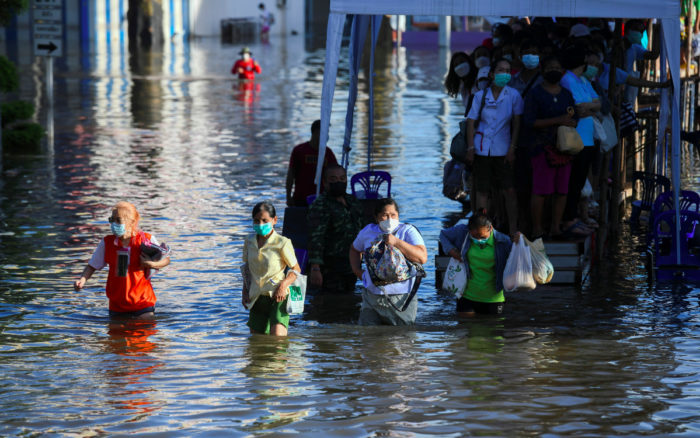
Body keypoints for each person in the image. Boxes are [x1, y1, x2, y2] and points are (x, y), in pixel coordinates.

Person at [74, 201, 170, 319]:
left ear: (132, 222)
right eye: (111, 220)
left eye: (118, 220)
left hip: (142, 301)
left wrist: (151, 264)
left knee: (144, 331)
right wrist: (82, 280)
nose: (114, 224)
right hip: (117, 304)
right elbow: (92, 265)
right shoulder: (107, 243)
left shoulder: (146, 240)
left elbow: (166, 260)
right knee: (117, 335)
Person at [466, 58, 524, 237]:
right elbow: (470, 122)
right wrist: (470, 148)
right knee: (482, 191)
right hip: (481, 148)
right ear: (492, 74)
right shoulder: (480, 95)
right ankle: (483, 228)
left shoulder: (513, 95)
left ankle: (513, 228)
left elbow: (517, 123)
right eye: (500, 70)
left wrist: (512, 148)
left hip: (504, 149)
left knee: (509, 190)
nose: (504, 74)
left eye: (507, 71)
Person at [523, 56, 579, 239]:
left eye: (557, 67)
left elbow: (574, 116)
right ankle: (538, 228)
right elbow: (529, 122)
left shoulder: (566, 94)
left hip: (564, 149)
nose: (553, 70)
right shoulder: (535, 94)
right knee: (541, 190)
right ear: (543, 71)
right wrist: (557, 120)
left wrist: (569, 122)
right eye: (550, 67)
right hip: (541, 147)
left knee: (561, 190)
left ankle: (556, 227)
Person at [349, 199, 427, 326]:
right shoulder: (368, 231)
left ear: (398, 216)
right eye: (385, 215)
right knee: (368, 338)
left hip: (401, 297)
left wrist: (396, 242)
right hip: (371, 296)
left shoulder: (408, 231)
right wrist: (357, 271)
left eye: (393, 215)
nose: (389, 219)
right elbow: (354, 249)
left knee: (401, 338)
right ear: (376, 217)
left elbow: (422, 258)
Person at [439, 210, 519, 317]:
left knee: (493, 330)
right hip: (466, 296)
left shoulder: (503, 241)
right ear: (469, 230)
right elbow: (443, 235)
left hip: (493, 298)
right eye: (474, 236)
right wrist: (451, 250)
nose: (478, 240)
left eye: (482, 237)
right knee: (466, 328)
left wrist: (519, 242)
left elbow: (517, 260)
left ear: (490, 228)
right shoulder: (462, 232)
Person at [559, 46, 601, 237]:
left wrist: (588, 108)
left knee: (580, 180)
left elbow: (597, 103)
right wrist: (589, 108)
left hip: (588, 138)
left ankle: (576, 216)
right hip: (576, 139)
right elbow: (578, 109)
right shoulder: (567, 79)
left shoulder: (583, 80)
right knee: (573, 182)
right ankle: (569, 219)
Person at [242, 201, 301, 336]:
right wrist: (245, 292)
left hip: (278, 296)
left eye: (264, 220)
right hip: (256, 296)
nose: (260, 224)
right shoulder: (249, 241)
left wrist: (283, 286)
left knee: (277, 342)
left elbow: (296, 269)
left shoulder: (282, 242)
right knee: (256, 344)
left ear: (274, 220)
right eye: (256, 221)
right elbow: (247, 270)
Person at [307, 165, 365, 294]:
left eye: (342, 178)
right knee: (331, 300)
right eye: (333, 179)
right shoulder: (320, 205)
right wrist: (315, 268)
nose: (338, 182)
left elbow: (362, 229)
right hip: (330, 266)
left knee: (350, 300)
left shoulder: (352, 201)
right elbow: (315, 238)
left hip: (352, 263)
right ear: (325, 182)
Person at [286, 120, 339, 207]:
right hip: (301, 198)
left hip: (322, 199)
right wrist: (288, 196)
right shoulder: (299, 150)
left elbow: (336, 175)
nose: (327, 136)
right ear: (315, 132)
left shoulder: (328, 153)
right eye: (324, 132)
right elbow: (291, 174)